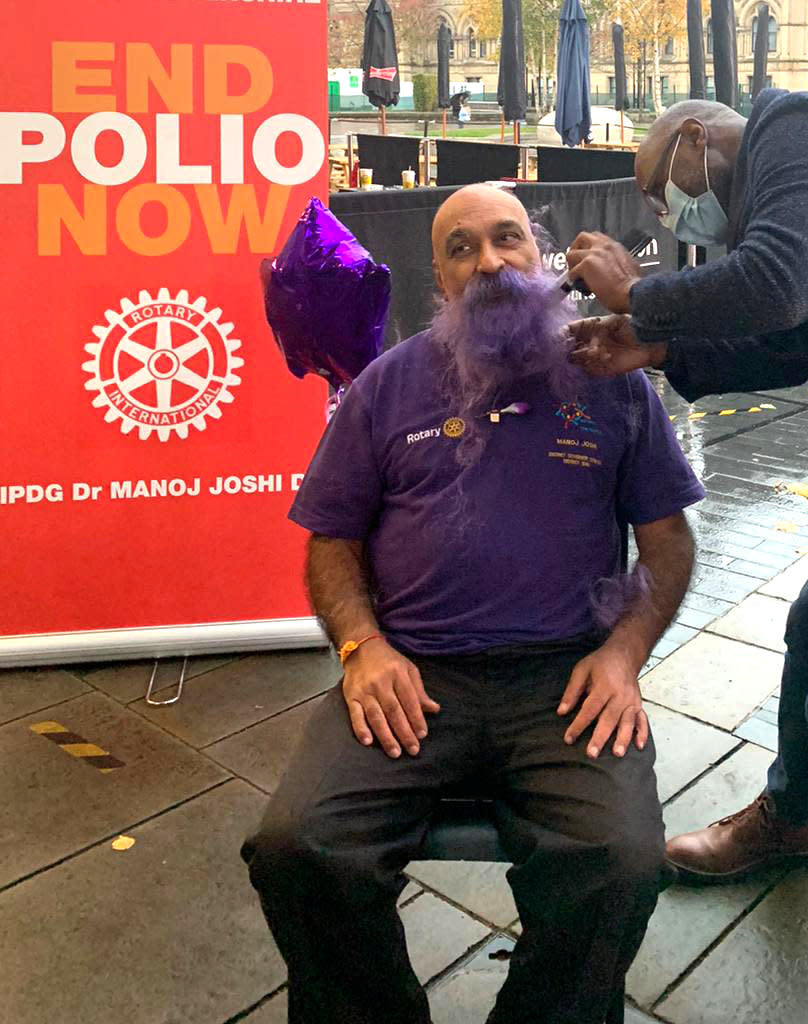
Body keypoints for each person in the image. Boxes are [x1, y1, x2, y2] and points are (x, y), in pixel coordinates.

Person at [241, 183, 704, 1024]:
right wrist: (360, 649)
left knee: (622, 860)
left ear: (539, 255)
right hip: (411, 675)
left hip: (564, 680)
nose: (489, 261)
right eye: (463, 248)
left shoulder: (611, 380)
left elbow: (668, 546)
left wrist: (623, 655)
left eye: (506, 239)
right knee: (298, 849)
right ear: (441, 278)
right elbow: (331, 543)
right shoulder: (387, 386)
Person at [565, 89, 808, 882]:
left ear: (695, 138)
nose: (666, 212)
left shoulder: (789, 120)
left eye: (656, 187)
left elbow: (773, 284)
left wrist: (637, 293)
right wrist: (657, 348)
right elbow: (792, 344)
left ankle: (794, 819)